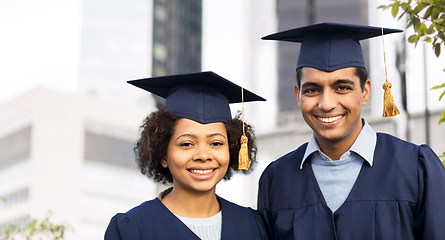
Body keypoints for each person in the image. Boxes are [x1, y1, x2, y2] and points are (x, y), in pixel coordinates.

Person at [257, 22, 445, 240]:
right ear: (298, 96)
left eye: (342, 88)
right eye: (312, 90)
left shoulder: (415, 168)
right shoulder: (276, 180)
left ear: (365, 92)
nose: (326, 103)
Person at [104, 71, 268, 240]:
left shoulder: (253, 226)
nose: (203, 155)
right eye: (186, 144)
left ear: (232, 148)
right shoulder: (132, 229)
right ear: (163, 154)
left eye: (216, 143)